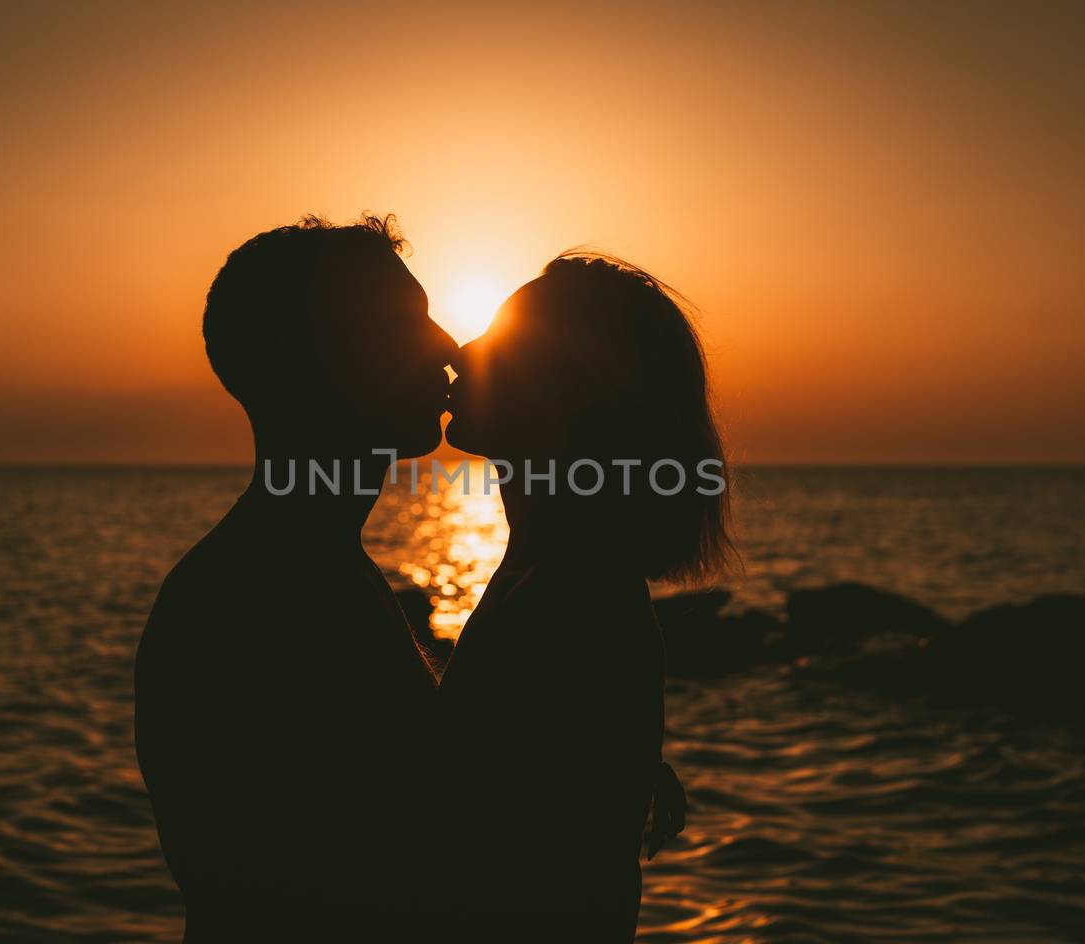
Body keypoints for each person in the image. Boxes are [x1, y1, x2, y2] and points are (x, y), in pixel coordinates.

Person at [134, 214, 458, 942]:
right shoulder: (262, 597)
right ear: (323, 357)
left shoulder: (306, 567)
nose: (446, 347)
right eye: (407, 326)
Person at [440, 252, 721, 942]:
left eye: (504, 340)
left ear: (567, 392)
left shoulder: (568, 599)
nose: (464, 349)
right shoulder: (560, 573)